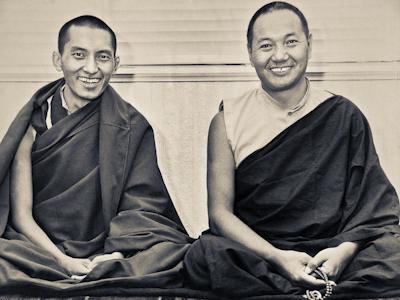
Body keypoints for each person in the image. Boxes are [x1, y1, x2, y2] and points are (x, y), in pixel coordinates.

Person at [184, 2, 400, 299]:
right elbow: (220, 215)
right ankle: (317, 290)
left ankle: (306, 286)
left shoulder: (343, 115)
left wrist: (343, 252)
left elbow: (373, 209)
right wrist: (277, 257)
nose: (280, 56)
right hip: (262, 251)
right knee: (205, 255)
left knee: (393, 250)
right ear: (249, 53)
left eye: (291, 42)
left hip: (333, 247)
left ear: (309, 44)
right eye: (265, 45)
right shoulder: (227, 121)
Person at [0, 15, 192, 296]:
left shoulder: (131, 125)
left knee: (177, 252)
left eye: (102, 57)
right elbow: (21, 216)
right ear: (58, 60)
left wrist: (116, 254)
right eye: (79, 55)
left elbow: (142, 209)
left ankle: (109, 268)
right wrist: (64, 261)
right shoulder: (32, 126)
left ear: (116, 64)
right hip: (42, 248)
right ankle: (93, 274)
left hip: (110, 247)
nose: (91, 69)